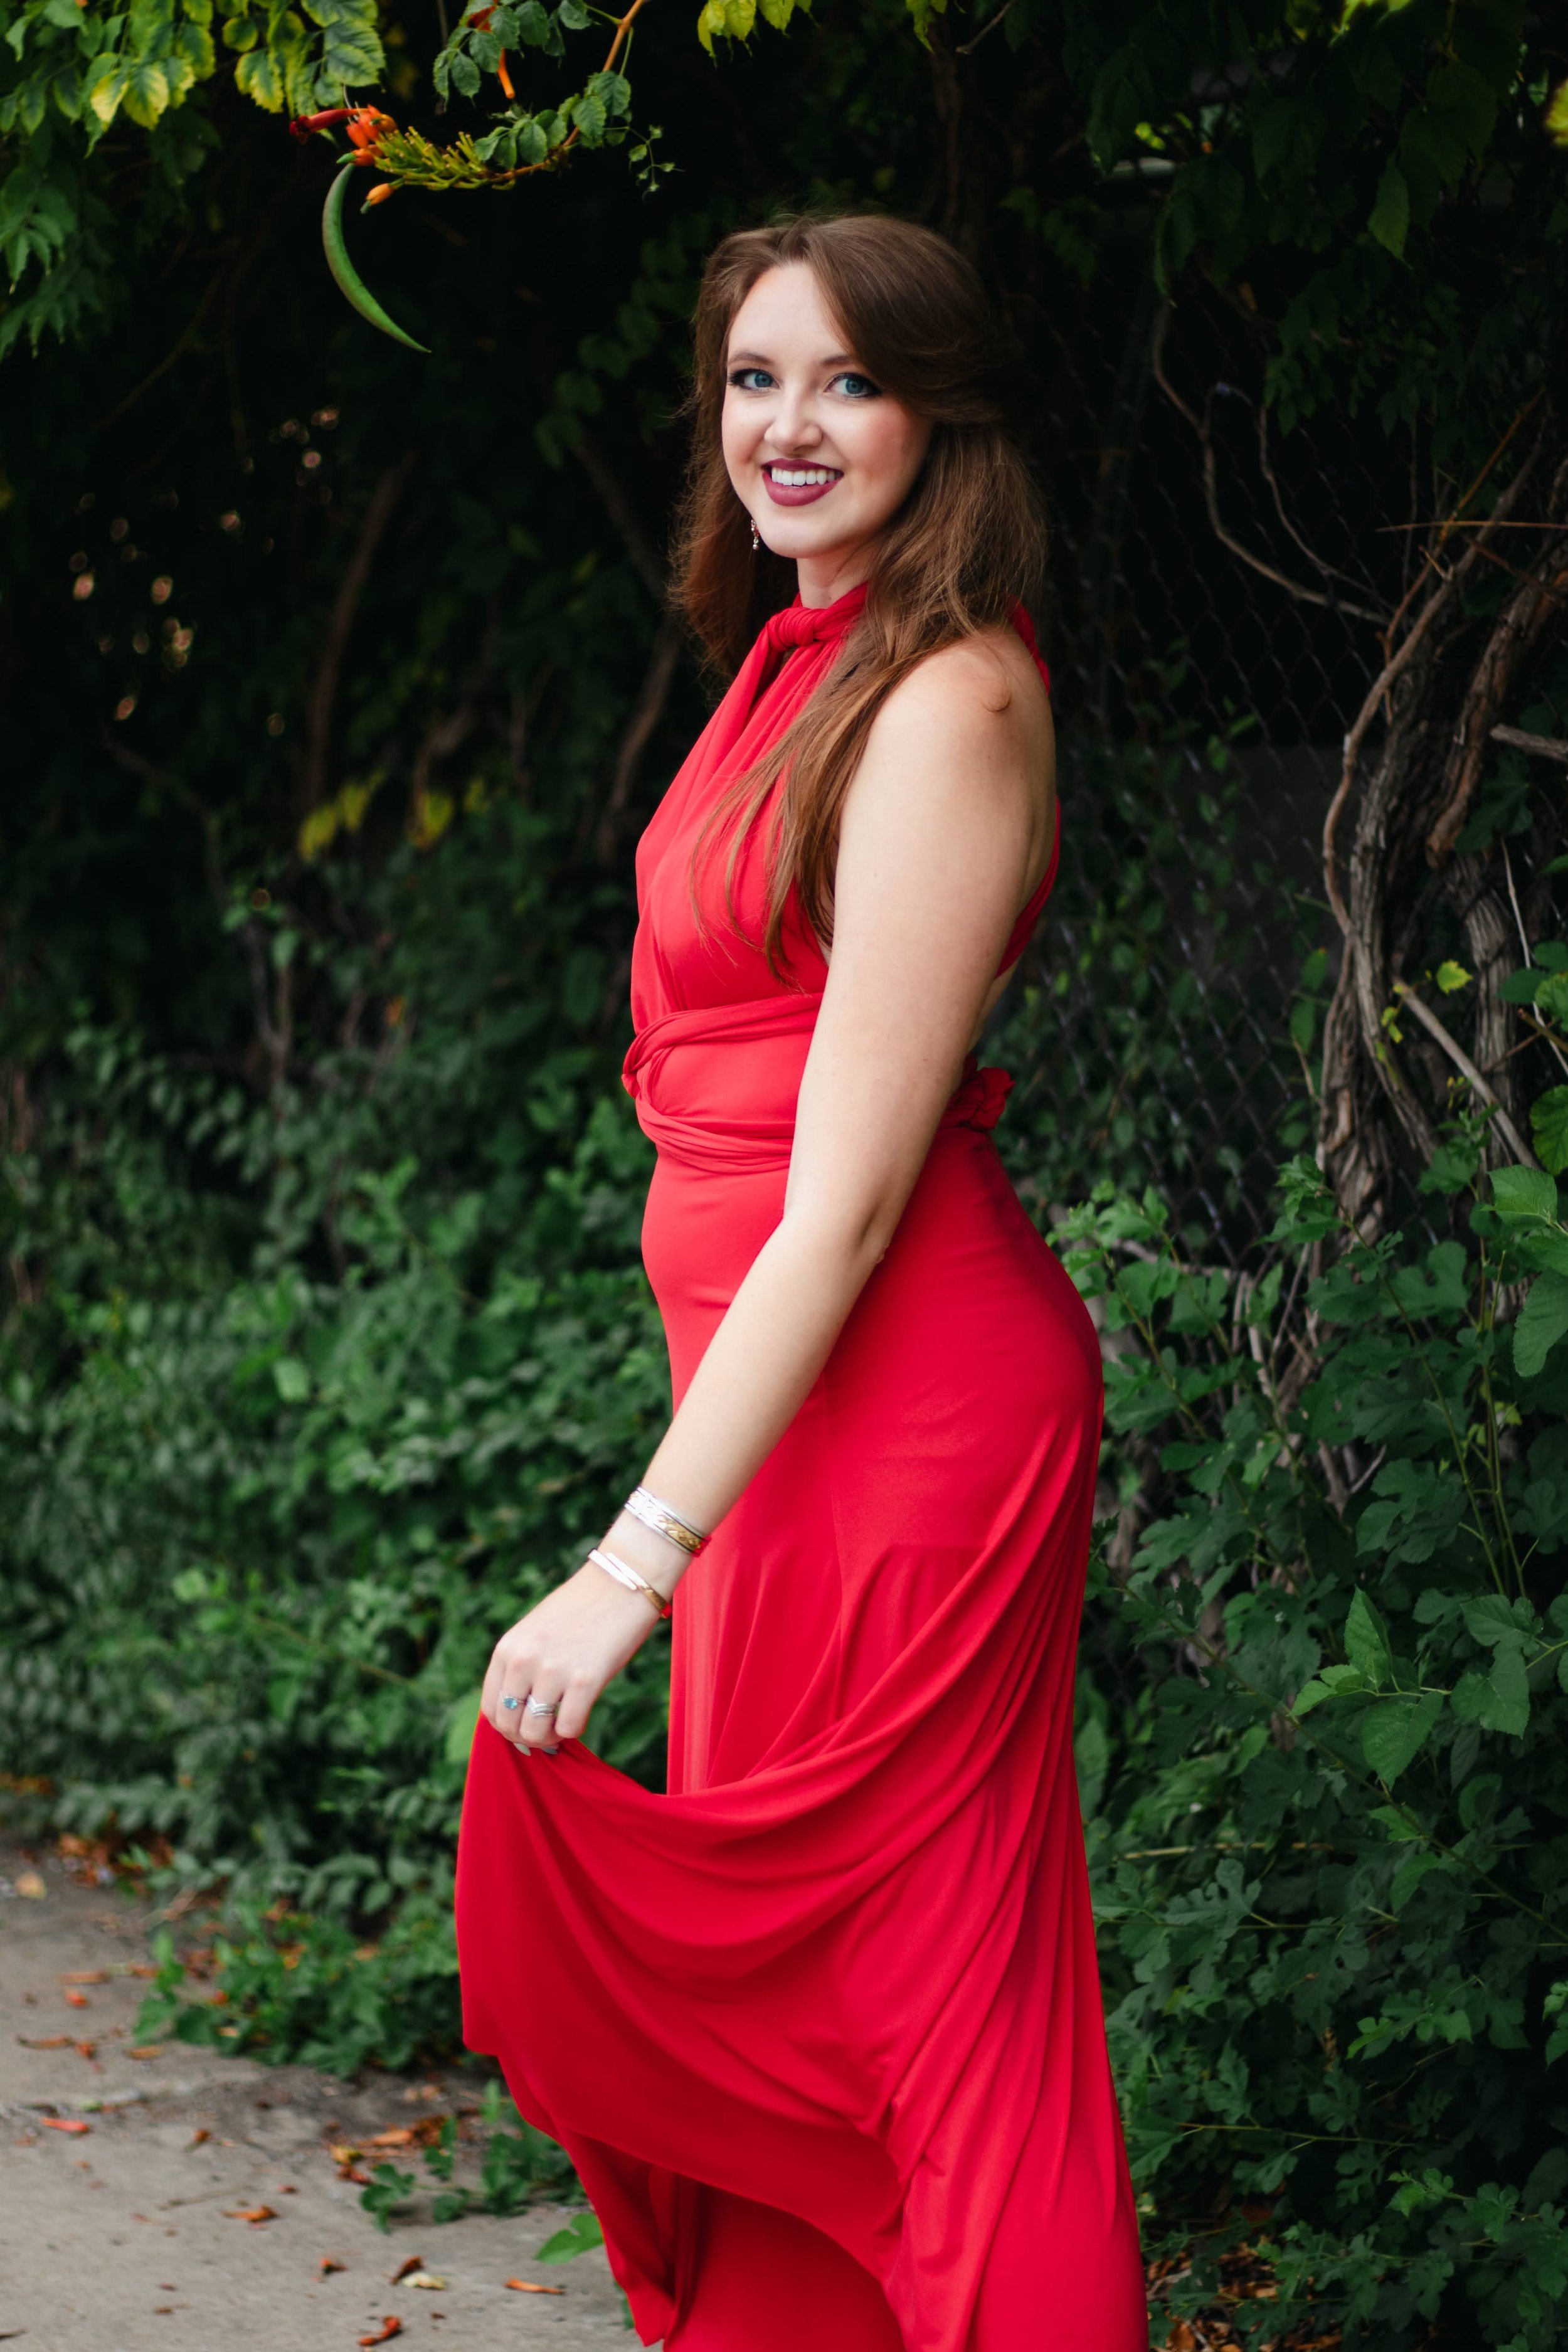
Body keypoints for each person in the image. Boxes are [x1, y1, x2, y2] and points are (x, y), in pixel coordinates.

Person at [455, 212, 1148, 2351]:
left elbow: (838, 1210)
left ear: (940, 408)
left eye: (845, 379)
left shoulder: (945, 698)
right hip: (773, 1428)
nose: (788, 425)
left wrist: (626, 1562)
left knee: (940, 2016)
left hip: (909, 1416)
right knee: (817, 2004)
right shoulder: (800, 658)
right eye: (755, 379)